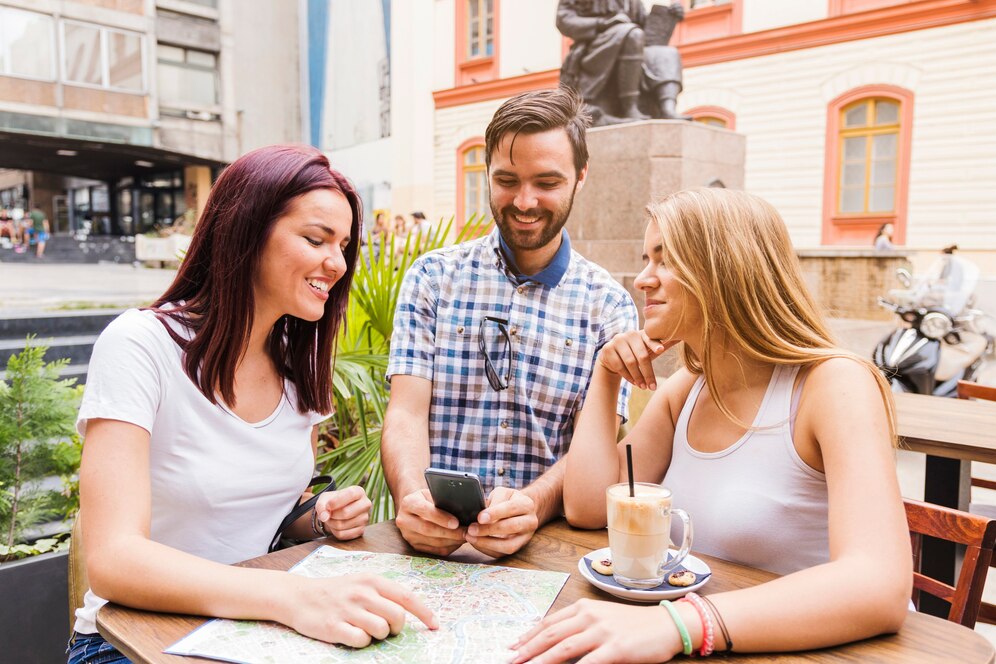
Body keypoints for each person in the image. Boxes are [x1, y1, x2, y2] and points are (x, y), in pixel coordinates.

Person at [69, 145, 436, 664]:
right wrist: (293, 597)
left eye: (344, 245)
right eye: (316, 239)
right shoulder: (140, 345)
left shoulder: (297, 365)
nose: (336, 262)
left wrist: (316, 519)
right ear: (245, 231)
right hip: (135, 641)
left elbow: (260, 521)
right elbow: (113, 559)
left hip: (254, 632)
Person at [511, 188, 911, 663]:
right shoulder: (689, 387)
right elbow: (589, 507)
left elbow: (879, 584)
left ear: (728, 270)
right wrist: (604, 378)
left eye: (666, 260)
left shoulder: (833, 384)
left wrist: (680, 622)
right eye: (646, 258)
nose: (643, 279)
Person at [381, 87, 639, 559]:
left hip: (547, 551)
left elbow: (592, 449)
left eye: (547, 182)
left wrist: (532, 505)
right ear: (487, 172)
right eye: (507, 180)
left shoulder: (610, 307)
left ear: (581, 177)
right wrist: (412, 499)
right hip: (431, 548)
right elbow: (405, 414)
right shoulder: (432, 278)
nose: (524, 201)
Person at [557, 0, 688, 124]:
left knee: (668, 53)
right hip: (594, 46)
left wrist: (668, 17)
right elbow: (564, 20)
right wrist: (603, 23)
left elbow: (644, 25)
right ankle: (630, 108)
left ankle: (667, 107)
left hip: (632, 43)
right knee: (633, 34)